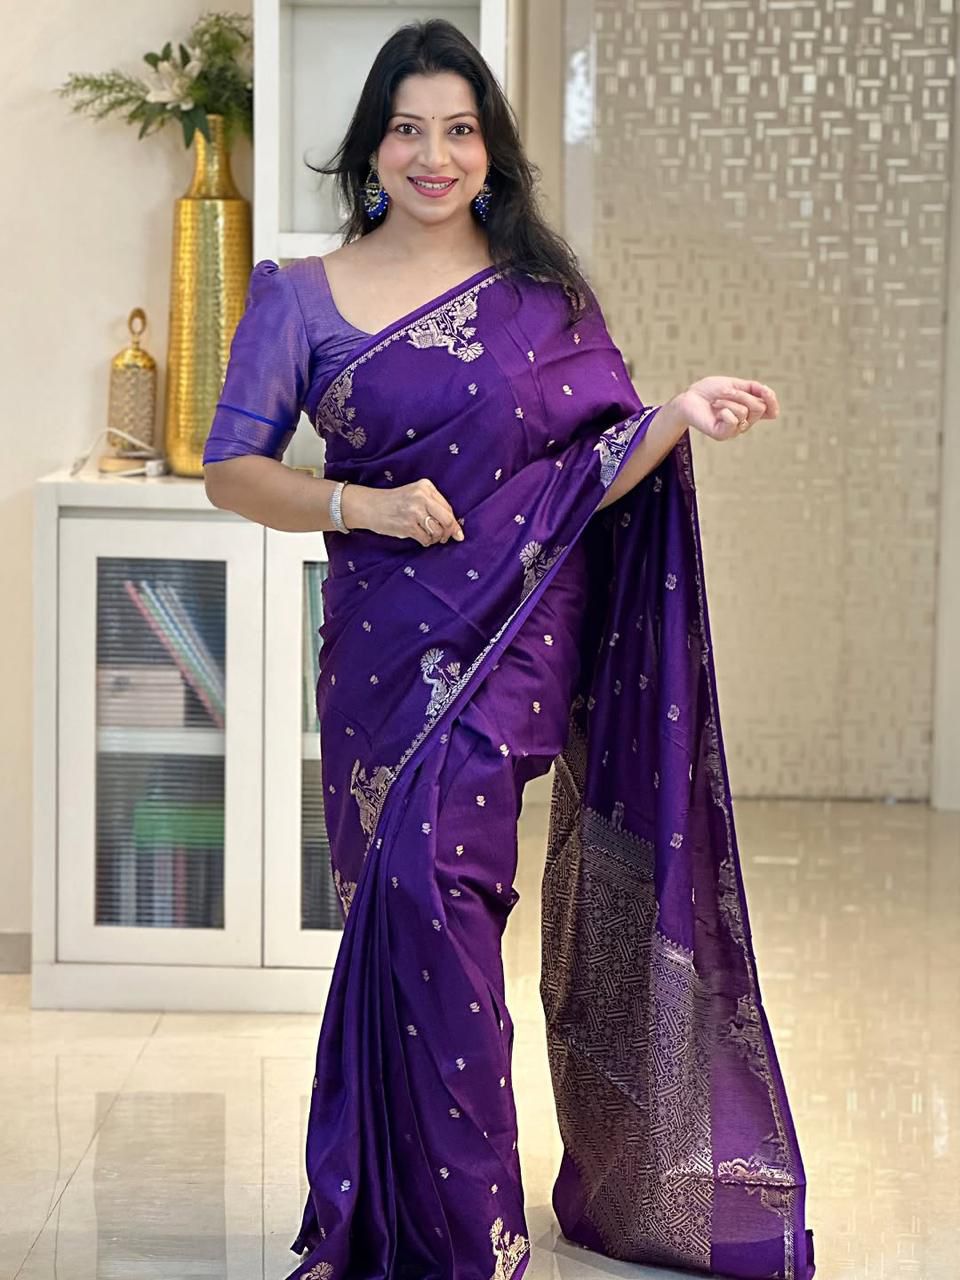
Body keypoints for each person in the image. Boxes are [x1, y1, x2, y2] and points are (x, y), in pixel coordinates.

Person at [202, 18, 815, 1280]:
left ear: (491, 152)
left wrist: (679, 412)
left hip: (517, 637)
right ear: (372, 147)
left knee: (439, 884)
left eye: (460, 130)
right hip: (382, 647)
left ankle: (471, 1235)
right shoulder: (298, 295)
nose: (435, 155)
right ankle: (406, 1213)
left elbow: (590, 467)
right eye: (409, 129)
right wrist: (359, 504)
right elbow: (232, 469)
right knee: (404, 913)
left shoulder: (543, 299)